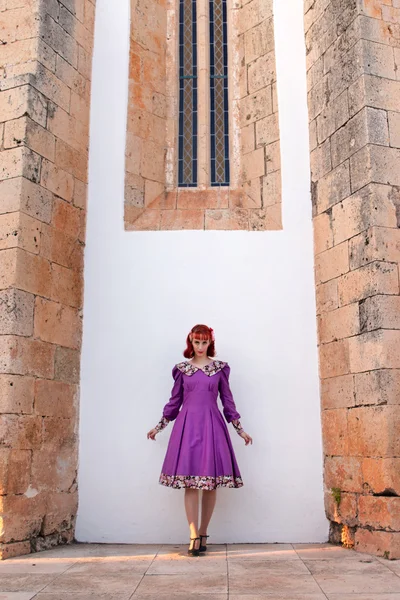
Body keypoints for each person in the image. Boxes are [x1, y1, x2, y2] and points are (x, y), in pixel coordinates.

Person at [147, 324, 253, 556]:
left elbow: (228, 401)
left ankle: (204, 532)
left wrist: (240, 429)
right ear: (190, 342)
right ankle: (193, 534)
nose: (201, 347)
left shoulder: (220, 369)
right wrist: (159, 426)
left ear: (210, 343)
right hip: (186, 427)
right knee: (190, 483)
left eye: (205, 342)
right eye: (197, 342)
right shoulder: (182, 370)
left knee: (210, 482)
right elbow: (174, 402)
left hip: (212, 426)